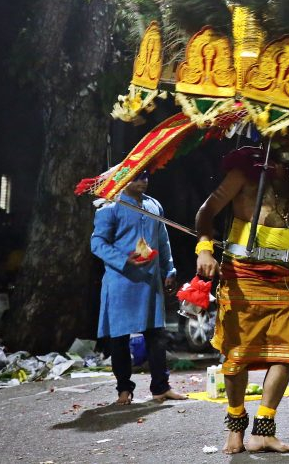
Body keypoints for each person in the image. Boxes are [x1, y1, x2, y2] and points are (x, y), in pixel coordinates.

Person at [195, 131, 289, 454]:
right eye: (281, 135)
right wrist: (205, 250)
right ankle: (236, 428)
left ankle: (263, 430)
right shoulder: (244, 173)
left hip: (280, 277)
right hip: (241, 274)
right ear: (265, 135)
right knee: (236, 355)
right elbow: (205, 213)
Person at [90, 172, 185, 405]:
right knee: (119, 337)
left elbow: (162, 240)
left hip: (149, 280)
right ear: (124, 179)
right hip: (121, 279)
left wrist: (168, 270)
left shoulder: (154, 205)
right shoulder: (110, 206)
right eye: (136, 178)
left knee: (156, 334)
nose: (142, 181)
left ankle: (160, 387)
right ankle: (124, 389)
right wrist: (124, 259)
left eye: (145, 177)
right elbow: (97, 243)